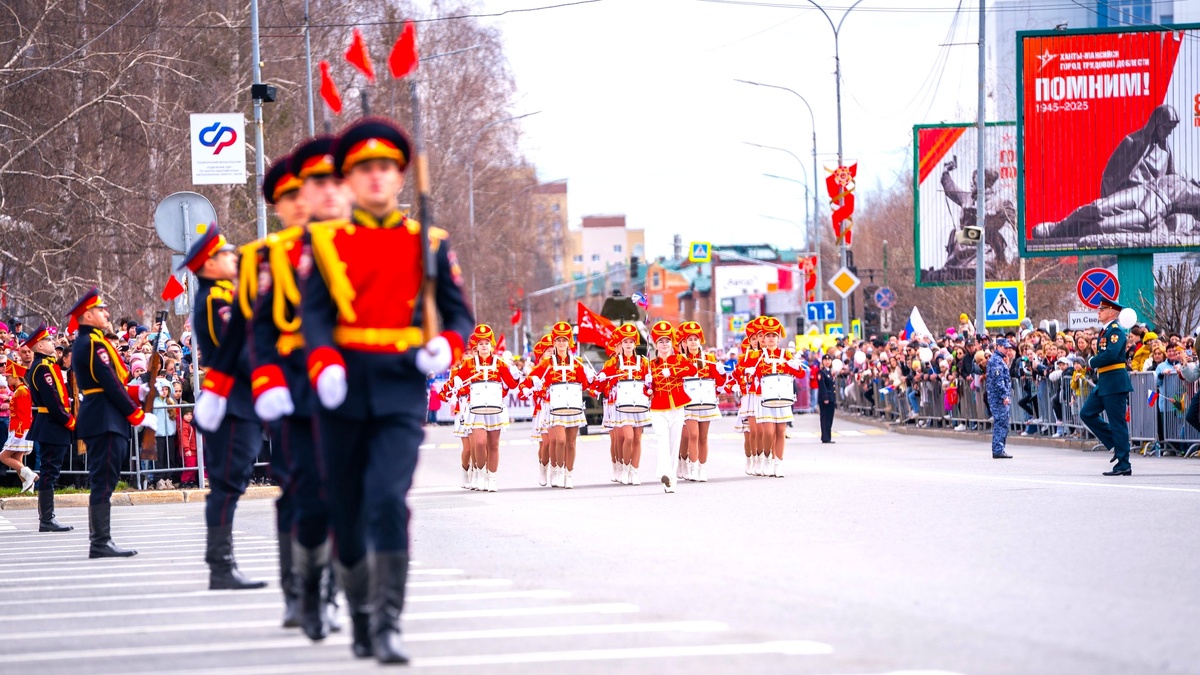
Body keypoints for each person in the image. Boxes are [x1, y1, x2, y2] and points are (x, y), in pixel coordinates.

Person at [301, 117, 474, 663]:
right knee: (347, 509)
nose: (376, 177)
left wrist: (447, 345)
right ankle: (358, 613)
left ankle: (388, 622)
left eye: (386, 167)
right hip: (344, 388)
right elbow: (314, 316)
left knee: (387, 500)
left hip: (401, 386)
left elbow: (458, 314)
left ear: (400, 177)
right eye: (364, 169)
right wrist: (324, 361)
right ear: (350, 181)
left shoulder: (431, 243)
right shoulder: (324, 242)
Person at [245, 144, 341, 637]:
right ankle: (298, 590)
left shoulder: (343, 245)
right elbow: (251, 333)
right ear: (278, 207)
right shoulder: (265, 259)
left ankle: (329, 590)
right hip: (289, 391)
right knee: (298, 491)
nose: (301, 203)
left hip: (342, 388)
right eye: (289, 198)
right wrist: (261, 384)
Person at [183, 224, 268, 591]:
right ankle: (220, 566)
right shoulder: (216, 299)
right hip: (232, 401)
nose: (234, 258)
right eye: (226, 254)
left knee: (231, 483)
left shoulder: (225, 294)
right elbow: (236, 350)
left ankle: (223, 564)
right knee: (226, 485)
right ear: (210, 264)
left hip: (239, 399)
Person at [67, 288, 157, 558]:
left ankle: (101, 541)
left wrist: (138, 392)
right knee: (103, 482)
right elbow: (109, 384)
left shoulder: (92, 342)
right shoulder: (92, 344)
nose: (106, 314)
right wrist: (138, 415)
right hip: (103, 418)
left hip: (103, 416)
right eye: (100, 310)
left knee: (105, 480)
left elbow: (113, 384)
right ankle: (100, 542)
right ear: (88, 315)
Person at [454, 325, 521, 492]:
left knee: (493, 445)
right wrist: (456, 382)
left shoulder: (500, 363)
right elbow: (458, 381)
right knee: (479, 442)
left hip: (494, 408)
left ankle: (491, 478)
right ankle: (480, 473)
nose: (484, 346)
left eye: (487, 343)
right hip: (475, 409)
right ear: (476, 346)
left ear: (491, 345)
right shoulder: (469, 363)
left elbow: (512, 384)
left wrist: (515, 376)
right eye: (481, 343)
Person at [526, 321, 591, 489]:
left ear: (569, 342)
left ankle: (569, 474)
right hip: (554, 408)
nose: (561, 343)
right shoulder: (547, 363)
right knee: (560, 440)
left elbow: (585, 385)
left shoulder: (577, 362)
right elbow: (528, 380)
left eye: (564, 340)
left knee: (571, 442)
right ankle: (557, 471)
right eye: (558, 340)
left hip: (573, 406)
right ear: (554, 342)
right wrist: (532, 382)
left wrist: (590, 377)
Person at [1080, 298, 1134, 476]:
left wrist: (1092, 361)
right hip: (1105, 382)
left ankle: (1124, 464)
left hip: (1115, 382)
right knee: (1086, 413)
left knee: (1118, 423)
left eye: (1102, 309)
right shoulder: (1106, 331)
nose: (1098, 312)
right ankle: (1115, 443)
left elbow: (1111, 354)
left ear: (1111, 313)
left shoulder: (1115, 331)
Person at [747, 317, 804, 478]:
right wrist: (750, 373)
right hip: (765, 398)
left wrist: (796, 366)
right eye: (768, 336)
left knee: (780, 431)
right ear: (763, 339)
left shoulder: (786, 354)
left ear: (778, 338)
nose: (771, 339)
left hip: (783, 397)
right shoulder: (757, 355)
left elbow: (800, 374)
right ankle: (767, 458)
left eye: (774, 335)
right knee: (769, 432)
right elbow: (749, 374)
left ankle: (778, 464)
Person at [646, 320, 698, 494]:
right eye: (661, 341)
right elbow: (647, 390)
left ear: (671, 342)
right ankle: (664, 473)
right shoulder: (650, 364)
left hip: (677, 405)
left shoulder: (679, 359)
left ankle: (671, 480)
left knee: (674, 442)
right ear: (656, 344)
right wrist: (647, 387)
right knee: (662, 439)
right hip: (658, 407)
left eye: (667, 340)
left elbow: (692, 370)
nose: (664, 344)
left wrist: (674, 371)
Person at [598, 324, 650, 485]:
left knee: (637, 439)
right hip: (621, 405)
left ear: (635, 344)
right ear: (620, 344)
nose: (628, 344)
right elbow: (601, 379)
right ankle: (623, 468)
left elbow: (650, 382)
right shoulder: (613, 362)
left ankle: (634, 471)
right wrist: (600, 377)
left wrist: (649, 384)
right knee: (627, 437)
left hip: (639, 404)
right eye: (625, 342)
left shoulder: (643, 362)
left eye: (631, 341)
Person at [675, 321, 725, 482]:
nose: (693, 342)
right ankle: (693, 467)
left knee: (703, 437)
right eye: (689, 339)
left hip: (705, 402)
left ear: (700, 341)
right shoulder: (680, 359)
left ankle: (702, 469)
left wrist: (721, 372)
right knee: (693, 435)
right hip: (688, 403)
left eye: (695, 339)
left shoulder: (709, 358)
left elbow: (719, 381)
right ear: (684, 342)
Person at [1, 372, 36, 492]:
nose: (7, 380)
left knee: (3, 457)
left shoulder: (22, 391)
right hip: (18, 429)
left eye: (8, 377)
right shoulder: (20, 390)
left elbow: (23, 414)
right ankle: (28, 486)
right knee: (17, 459)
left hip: (20, 429)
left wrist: (19, 432)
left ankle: (30, 474)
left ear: (16, 376)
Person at [987, 338, 1015, 459]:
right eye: (1005, 348)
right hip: (998, 398)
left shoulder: (999, 360)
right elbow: (998, 381)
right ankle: (998, 449)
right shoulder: (996, 361)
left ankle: (999, 448)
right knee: (1001, 422)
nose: (1007, 350)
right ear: (998, 346)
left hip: (998, 396)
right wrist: (1004, 395)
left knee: (1002, 422)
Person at [818, 354, 837, 443]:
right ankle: (825, 437)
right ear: (822, 361)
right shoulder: (821, 372)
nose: (827, 361)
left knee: (829, 418)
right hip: (825, 398)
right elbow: (822, 386)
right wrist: (825, 397)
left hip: (831, 398)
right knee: (825, 418)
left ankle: (828, 436)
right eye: (825, 360)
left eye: (829, 360)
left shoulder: (830, 372)